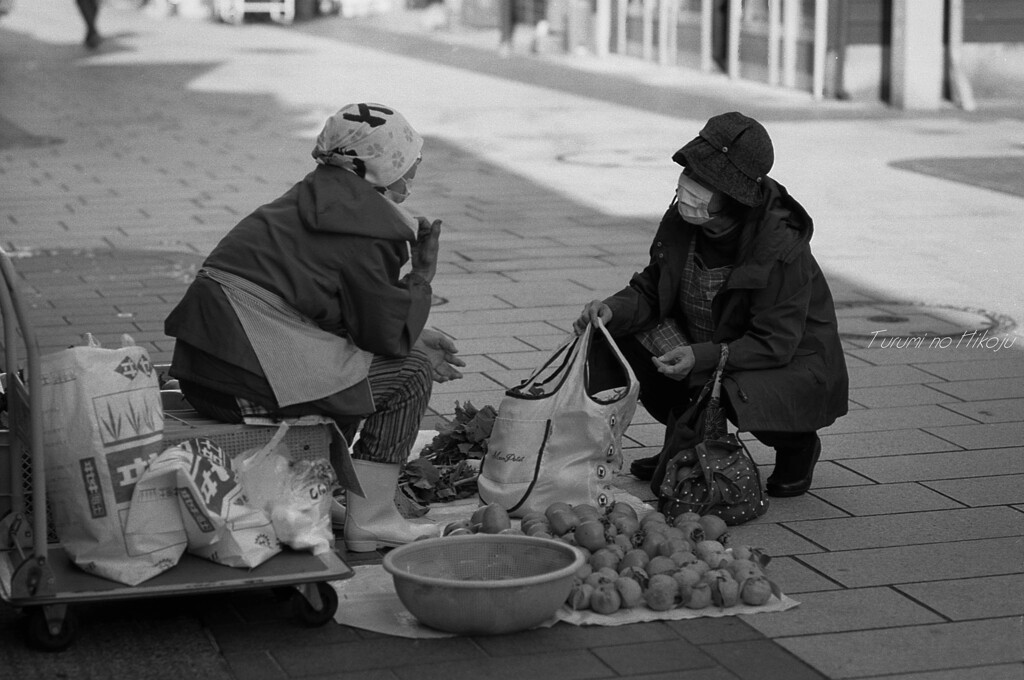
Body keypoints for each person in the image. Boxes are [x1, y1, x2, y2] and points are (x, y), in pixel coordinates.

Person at [164, 102, 466, 552]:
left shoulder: (309, 197)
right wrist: (420, 281)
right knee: (409, 374)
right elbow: (381, 336)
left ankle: (324, 488)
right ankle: (374, 519)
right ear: (381, 170)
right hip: (243, 381)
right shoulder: (369, 227)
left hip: (203, 373)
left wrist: (413, 331)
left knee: (364, 364)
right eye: (408, 165)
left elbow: (331, 311)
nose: (412, 178)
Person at [574, 112, 848, 498]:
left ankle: (797, 445)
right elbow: (653, 288)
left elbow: (774, 342)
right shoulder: (684, 219)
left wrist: (702, 356)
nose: (689, 186)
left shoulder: (780, 247)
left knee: (735, 385)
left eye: (705, 181)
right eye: (690, 173)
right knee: (618, 336)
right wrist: (611, 310)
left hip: (781, 359)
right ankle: (684, 447)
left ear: (734, 195)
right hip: (709, 341)